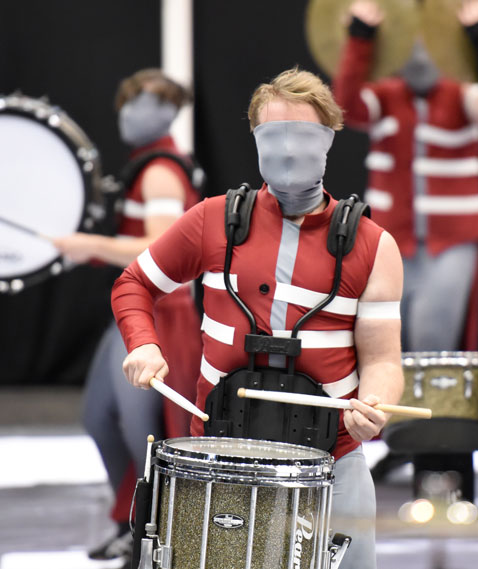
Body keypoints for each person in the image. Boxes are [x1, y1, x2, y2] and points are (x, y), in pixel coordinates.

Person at [111, 67, 404, 569]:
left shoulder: (374, 245)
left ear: (331, 139)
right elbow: (134, 283)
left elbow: (383, 360)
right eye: (274, 135)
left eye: (305, 135)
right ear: (255, 139)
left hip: (331, 461)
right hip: (218, 460)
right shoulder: (212, 219)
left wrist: (375, 406)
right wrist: (143, 343)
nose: (289, 151)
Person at [332, 0, 478, 501]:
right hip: (394, 243)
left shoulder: (461, 94)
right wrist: (361, 37)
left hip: (451, 241)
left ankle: (441, 466)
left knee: (436, 350)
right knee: (394, 351)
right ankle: (411, 448)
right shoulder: (385, 95)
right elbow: (342, 106)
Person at [52, 69, 202, 567]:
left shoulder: (161, 170)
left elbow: (160, 249)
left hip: (159, 312)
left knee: (145, 433)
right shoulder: (151, 165)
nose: (131, 112)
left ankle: (151, 533)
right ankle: (130, 522)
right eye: (130, 101)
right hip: (138, 309)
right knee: (101, 417)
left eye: (146, 102)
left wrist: (89, 246)